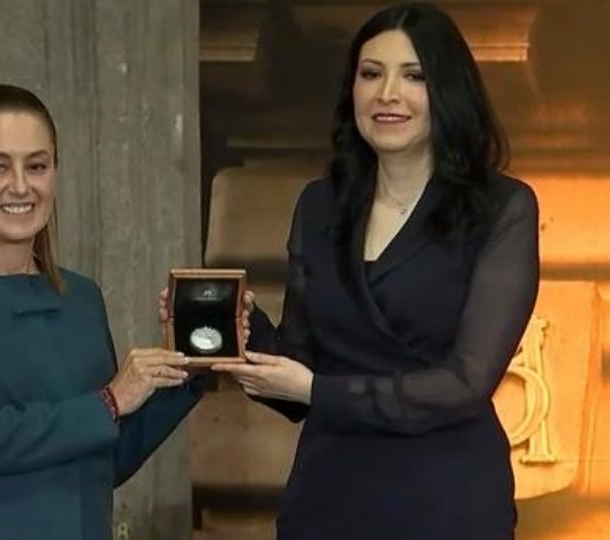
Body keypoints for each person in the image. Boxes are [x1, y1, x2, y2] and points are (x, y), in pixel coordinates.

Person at [210, 3, 539, 538]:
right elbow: (297, 369)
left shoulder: (502, 207)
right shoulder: (319, 205)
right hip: (329, 490)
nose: (388, 93)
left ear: (448, 92)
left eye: (413, 76)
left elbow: (466, 382)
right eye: (371, 74)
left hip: (445, 495)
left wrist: (318, 391)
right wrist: (242, 335)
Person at [0, 84, 202, 540]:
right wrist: (112, 399)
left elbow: (104, 457)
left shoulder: (82, 297)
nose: (20, 185)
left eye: (36, 166)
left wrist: (190, 367)